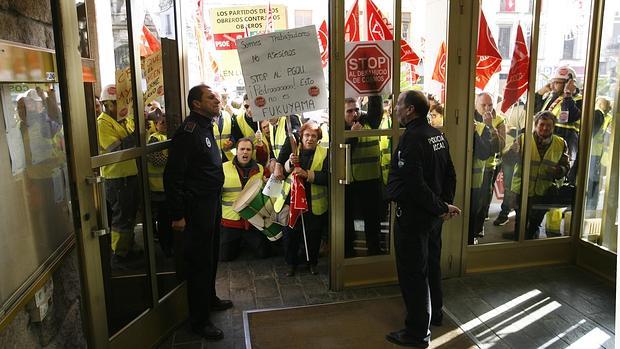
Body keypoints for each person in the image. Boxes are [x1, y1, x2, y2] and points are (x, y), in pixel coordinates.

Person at [385, 90, 460, 348]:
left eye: (399, 105)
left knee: (413, 273)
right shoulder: (436, 135)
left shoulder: (412, 139)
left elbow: (414, 185)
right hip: (432, 217)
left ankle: (417, 333)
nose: (395, 109)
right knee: (432, 265)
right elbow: (450, 173)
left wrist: (441, 207)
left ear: (410, 110)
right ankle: (435, 314)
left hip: (415, 218)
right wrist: (443, 206)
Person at [163, 84, 233, 341]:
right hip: (197, 206)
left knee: (211, 254)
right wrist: (177, 214)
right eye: (210, 97)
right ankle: (199, 321)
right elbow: (173, 176)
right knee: (199, 262)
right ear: (196, 104)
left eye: (216, 96)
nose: (216, 99)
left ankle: (210, 299)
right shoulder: (189, 132)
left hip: (211, 202)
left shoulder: (206, 126)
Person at [505, 111, 570, 239]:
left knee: (535, 223)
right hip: (521, 190)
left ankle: (529, 242)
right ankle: (518, 245)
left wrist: (558, 171)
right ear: (535, 125)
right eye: (542, 125)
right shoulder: (522, 139)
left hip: (543, 192)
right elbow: (508, 162)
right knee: (520, 222)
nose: (545, 128)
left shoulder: (561, 143)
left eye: (549, 125)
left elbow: (566, 166)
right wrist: (512, 152)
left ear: (553, 126)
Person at [275, 122, 329, 276]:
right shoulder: (292, 150)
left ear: (318, 138)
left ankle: (312, 263)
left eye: (313, 136)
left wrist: (308, 175)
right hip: (291, 201)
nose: (310, 139)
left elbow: (328, 176)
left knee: (313, 235)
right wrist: (289, 164)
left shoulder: (325, 153)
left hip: (313, 203)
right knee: (290, 235)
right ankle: (291, 264)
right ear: (301, 136)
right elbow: (282, 173)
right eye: (307, 135)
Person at [97, 84, 141, 263]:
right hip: (116, 178)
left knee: (129, 215)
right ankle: (120, 254)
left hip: (128, 175)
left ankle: (128, 247)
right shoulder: (103, 123)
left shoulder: (122, 121)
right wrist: (137, 132)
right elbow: (117, 149)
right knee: (122, 217)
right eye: (118, 103)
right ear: (107, 104)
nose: (124, 107)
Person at [220, 138, 272, 261]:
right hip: (231, 221)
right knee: (224, 257)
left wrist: (267, 184)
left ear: (252, 152)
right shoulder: (222, 168)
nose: (245, 152)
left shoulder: (261, 169)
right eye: (242, 149)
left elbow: (271, 192)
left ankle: (245, 242)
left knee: (264, 254)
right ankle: (239, 243)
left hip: (253, 220)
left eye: (248, 149)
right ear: (236, 151)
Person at [344, 95, 383, 257]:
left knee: (373, 220)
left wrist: (374, 89)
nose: (354, 113)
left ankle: (374, 252)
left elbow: (376, 109)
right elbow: (342, 153)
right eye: (349, 111)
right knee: (347, 220)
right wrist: (352, 135)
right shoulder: (339, 128)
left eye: (356, 109)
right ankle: (348, 253)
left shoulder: (368, 121)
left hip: (371, 180)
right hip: (349, 182)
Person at [534, 65, 582, 183]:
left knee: (562, 175)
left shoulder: (578, 100)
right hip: (548, 138)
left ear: (569, 83)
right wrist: (541, 92)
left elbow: (566, 117)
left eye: (557, 82)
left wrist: (567, 94)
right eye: (553, 82)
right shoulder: (552, 98)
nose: (552, 85)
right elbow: (532, 109)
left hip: (566, 140)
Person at [473, 93, 505, 239]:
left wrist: (490, 126)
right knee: (472, 199)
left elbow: (500, 146)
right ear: (475, 104)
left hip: (489, 166)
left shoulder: (498, 120)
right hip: (472, 167)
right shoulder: (470, 116)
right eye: (483, 105)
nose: (487, 108)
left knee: (484, 199)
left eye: (490, 105)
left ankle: (479, 227)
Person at [494, 99, 527, 226]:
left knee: (509, 185)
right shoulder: (498, 106)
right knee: (493, 183)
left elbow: (526, 130)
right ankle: (485, 211)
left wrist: (513, 132)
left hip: (511, 153)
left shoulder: (522, 108)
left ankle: (504, 213)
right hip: (497, 150)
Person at [146, 110, 172, 256]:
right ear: (155, 125)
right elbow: (156, 161)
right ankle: (166, 248)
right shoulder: (154, 139)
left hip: (168, 187)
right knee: (163, 221)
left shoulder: (169, 137)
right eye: (162, 122)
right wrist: (173, 155)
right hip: (159, 188)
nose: (165, 125)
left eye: (167, 122)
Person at [586, 97, 613, 212]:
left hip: (596, 153)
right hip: (594, 152)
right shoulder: (605, 117)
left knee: (593, 181)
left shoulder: (600, 115)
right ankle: (589, 205)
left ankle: (590, 207)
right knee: (591, 180)